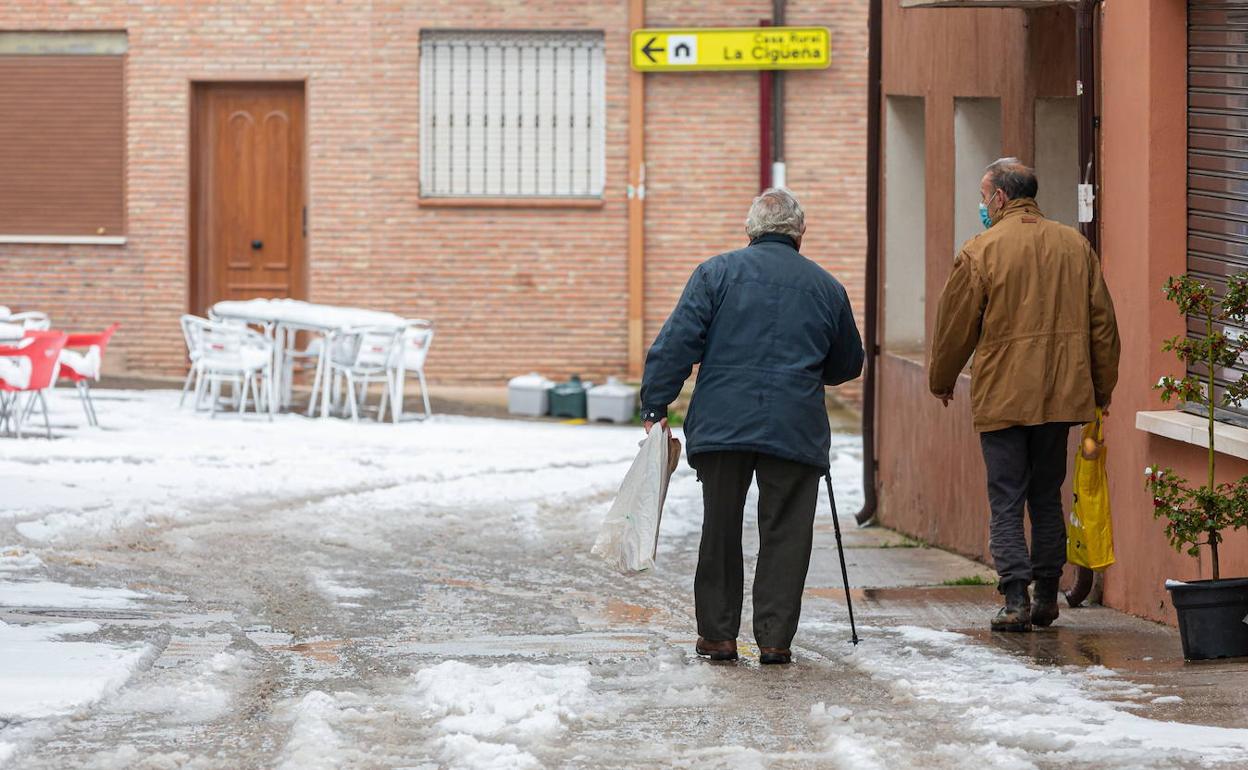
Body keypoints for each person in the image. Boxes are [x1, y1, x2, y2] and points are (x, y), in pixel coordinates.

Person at [639, 188, 864, 664]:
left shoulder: (715, 274)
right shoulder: (827, 288)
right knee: (786, 532)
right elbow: (848, 362)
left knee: (720, 527)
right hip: (795, 427)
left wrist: (655, 405)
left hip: (723, 424)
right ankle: (775, 640)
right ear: (800, 233)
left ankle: (718, 637)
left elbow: (678, 341)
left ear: (750, 230)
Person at [929, 158, 1120, 632]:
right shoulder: (1076, 247)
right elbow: (1103, 326)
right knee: (1046, 495)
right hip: (1062, 396)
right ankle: (1047, 596)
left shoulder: (981, 250)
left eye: (983, 195)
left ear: (999, 198)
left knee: (1006, 498)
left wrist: (943, 378)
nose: (981, 204)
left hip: (1004, 398)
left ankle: (1014, 597)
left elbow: (956, 327)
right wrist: (1102, 386)